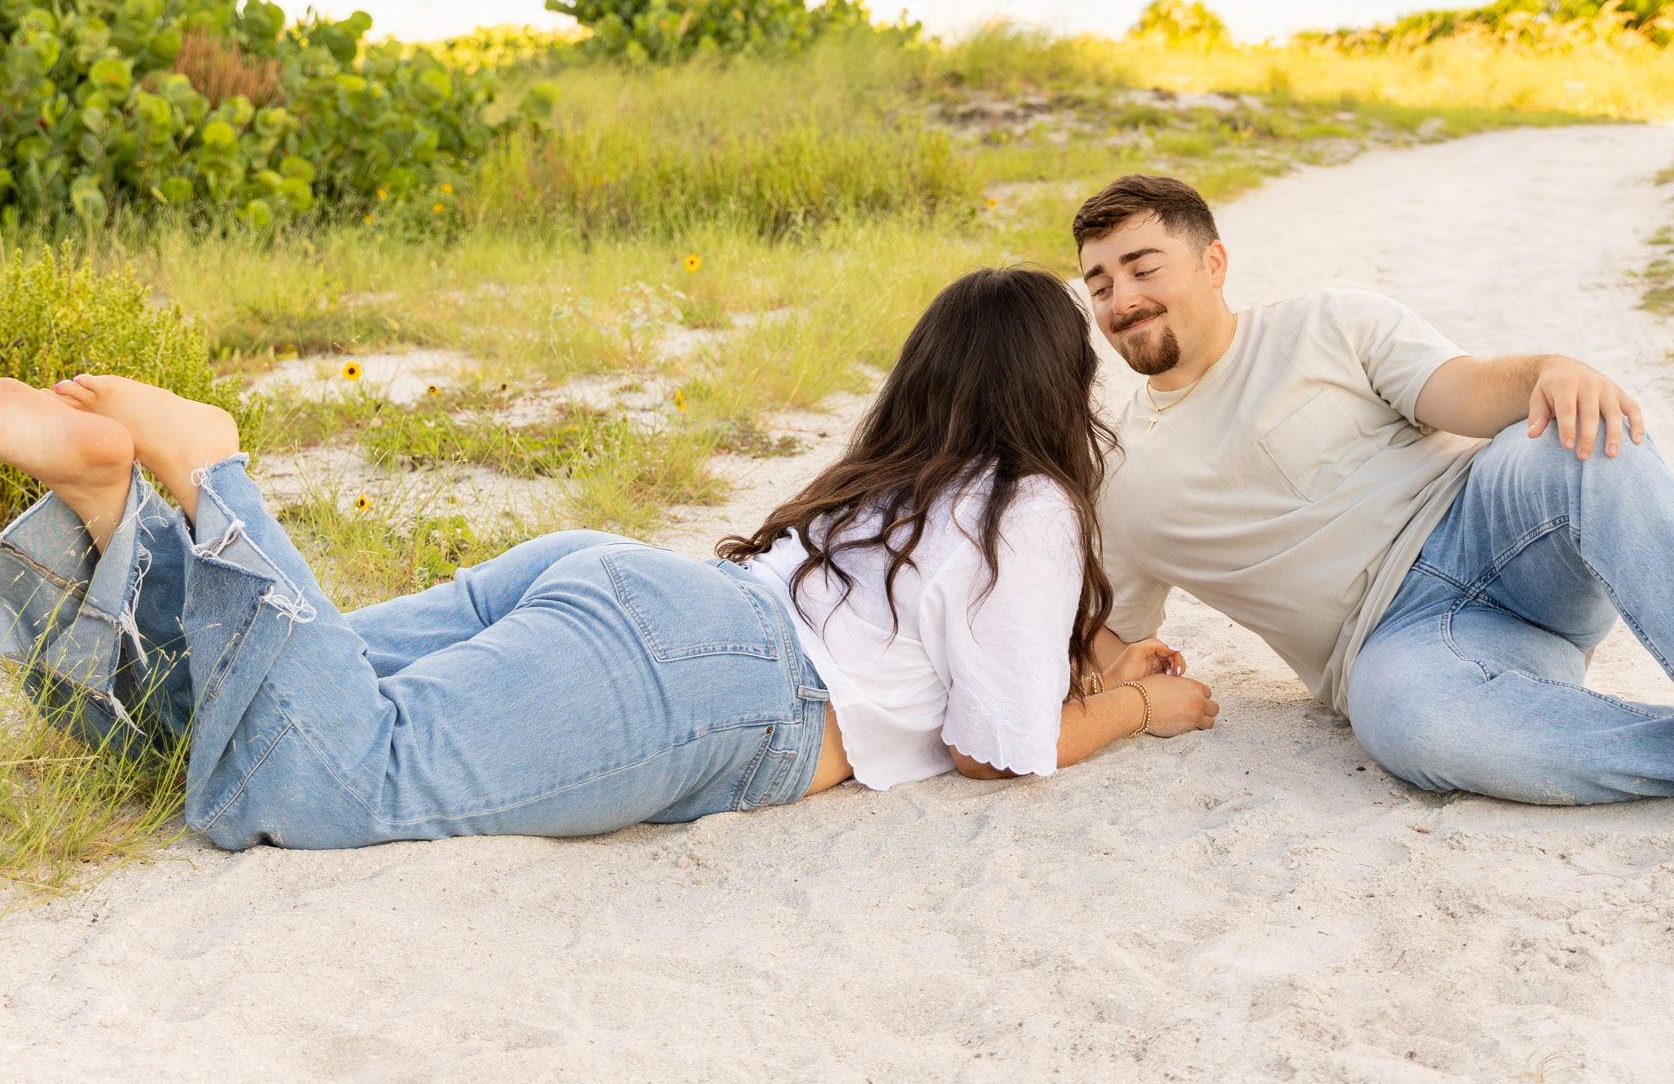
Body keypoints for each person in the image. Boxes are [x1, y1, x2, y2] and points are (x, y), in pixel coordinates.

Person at [0, 265, 1216, 850]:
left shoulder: (909, 467)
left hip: (636, 592)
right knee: (342, 777)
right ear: (1059, 388)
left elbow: (955, 629)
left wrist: (1096, 657)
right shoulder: (1032, 502)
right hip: (719, 679)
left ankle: (110, 505)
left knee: (236, 707)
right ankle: (209, 475)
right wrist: (1141, 708)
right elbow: (998, 745)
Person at [1072, 173, 1674, 882]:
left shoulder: (1327, 322)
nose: (1123, 300)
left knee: (1583, 439)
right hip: (1399, 651)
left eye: (1143, 268)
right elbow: (1104, 636)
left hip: (1497, 528)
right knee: (1410, 728)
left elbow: (1469, 391)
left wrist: (1554, 371)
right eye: (1101, 284)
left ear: (1213, 262)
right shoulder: (1127, 478)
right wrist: (1128, 688)